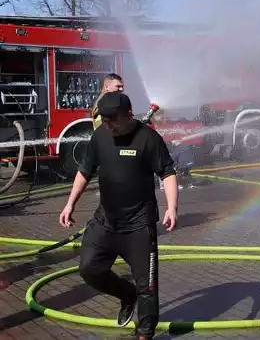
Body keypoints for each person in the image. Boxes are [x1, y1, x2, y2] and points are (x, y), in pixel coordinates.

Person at [59, 92, 179, 340]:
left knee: (148, 287)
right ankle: (126, 294)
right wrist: (70, 203)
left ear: (128, 115)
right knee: (89, 269)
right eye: (104, 120)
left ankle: (145, 332)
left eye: (112, 120)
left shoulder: (148, 139)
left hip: (138, 227)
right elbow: (85, 171)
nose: (108, 125)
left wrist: (172, 207)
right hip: (106, 222)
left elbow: (167, 173)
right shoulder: (100, 135)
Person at [153, 109, 196, 189]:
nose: (163, 117)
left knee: (182, 154)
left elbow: (175, 140)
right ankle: (166, 183)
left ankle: (177, 180)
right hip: (157, 154)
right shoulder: (151, 127)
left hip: (170, 151)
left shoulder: (170, 127)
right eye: (159, 115)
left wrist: (177, 142)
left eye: (163, 115)